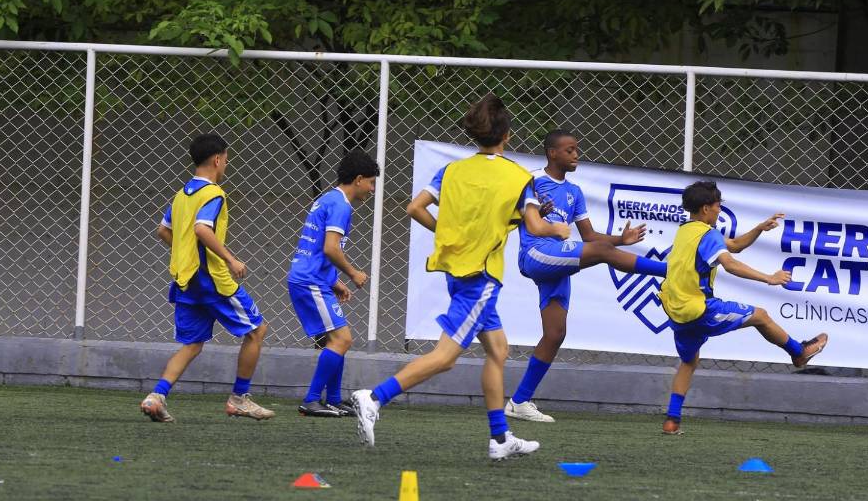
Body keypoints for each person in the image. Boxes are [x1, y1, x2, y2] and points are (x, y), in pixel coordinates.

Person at [349, 94, 568, 459]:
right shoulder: (518, 176)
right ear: (507, 136)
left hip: (457, 270)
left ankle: (500, 438)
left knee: (498, 349)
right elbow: (534, 225)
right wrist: (557, 229)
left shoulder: (452, 171)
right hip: (481, 277)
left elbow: (414, 208)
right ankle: (374, 397)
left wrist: (449, 233)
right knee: (446, 356)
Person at [506, 129, 667, 422]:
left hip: (559, 259)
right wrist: (537, 214)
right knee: (603, 252)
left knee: (555, 334)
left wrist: (622, 239)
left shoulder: (574, 192)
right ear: (552, 153)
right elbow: (515, 217)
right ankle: (673, 271)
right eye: (569, 150)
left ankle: (519, 401)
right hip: (536, 253)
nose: (576, 155)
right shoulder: (530, 180)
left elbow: (590, 236)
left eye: (577, 149)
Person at [658, 180, 828, 435]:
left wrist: (759, 229)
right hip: (699, 310)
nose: (719, 210)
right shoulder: (709, 234)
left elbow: (734, 245)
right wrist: (769, 277)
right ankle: (799, 353)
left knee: (689, 361)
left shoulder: (686, 231)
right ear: (706, 209)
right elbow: (731, 264)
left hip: (676, 311)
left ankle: (672, 419)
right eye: (717, 206)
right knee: (761, 316)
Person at [140, 133, 274, 422]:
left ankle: (156, 396)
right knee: (257, 331)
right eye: (226, 159)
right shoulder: (214, 194)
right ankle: (240, 398)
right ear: (217, 159)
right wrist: (230, 259)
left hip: (186, 281)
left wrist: (185, 251)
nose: (226, 164)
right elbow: (202, 229)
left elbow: (163, 230)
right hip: (212, 280)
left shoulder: (181, 195)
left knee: (192, 344)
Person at [287, 150, 381, 417]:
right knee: (342, 338)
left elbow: (315, 248)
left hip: (310, 278)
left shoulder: (327, 198)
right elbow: (330, 248)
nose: (372, 189)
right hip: (310, 281)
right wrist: (353, 273)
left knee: (336, 339)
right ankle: (312, 400)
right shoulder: (341, 205)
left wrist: (334, 281)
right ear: (359, 179)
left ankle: (334, 399)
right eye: (371, 182)